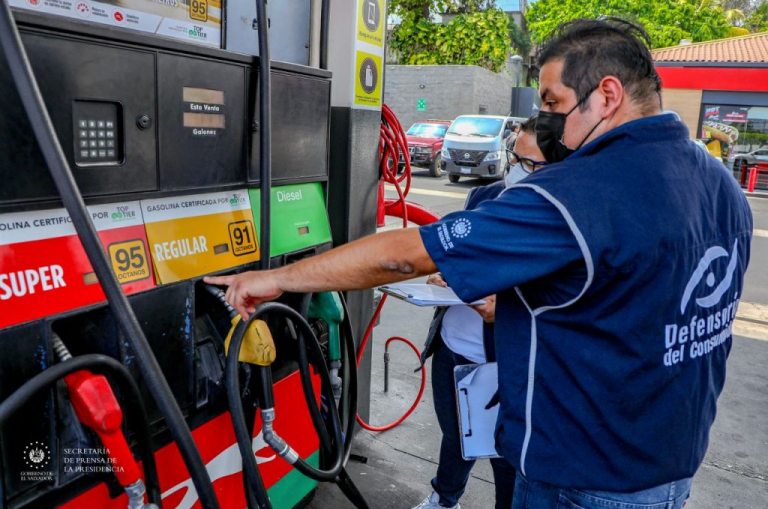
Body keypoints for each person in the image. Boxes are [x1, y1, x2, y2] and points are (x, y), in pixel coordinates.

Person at [206, 18, 753, 509]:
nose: (547, 122)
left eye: (554, 103)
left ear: (607, 95)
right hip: (669, 471)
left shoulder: (576, 194)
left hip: (580, 479)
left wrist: (273, 278)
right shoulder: (719, 183)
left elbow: (405, 255)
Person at [413, 116, 546, 509]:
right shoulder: (484, 197)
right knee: (456, 435)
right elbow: (456, 254)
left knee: (503, 451)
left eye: (530, 163)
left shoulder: (558, 221)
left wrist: (506, 311)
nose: (516, 169)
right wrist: (442, 272)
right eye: (514, 157)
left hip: (502, 359)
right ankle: (445, 498)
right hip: (453, 345)